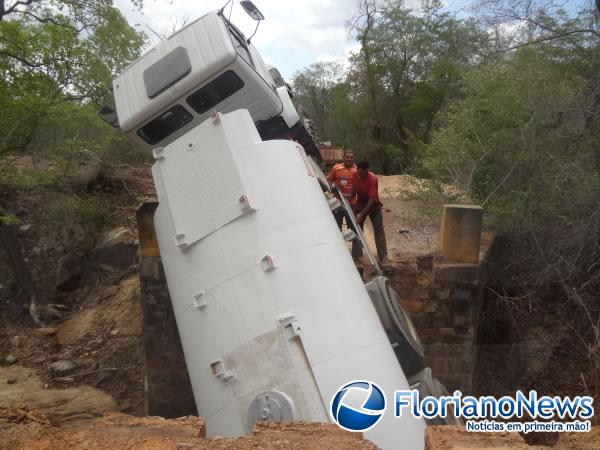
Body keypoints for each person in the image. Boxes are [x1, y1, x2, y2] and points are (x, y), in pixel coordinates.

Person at [351, 161, 388, 263]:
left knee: (378, 231)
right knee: (357, 229)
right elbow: (354, 187)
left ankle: (383, 256)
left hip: (374, 207)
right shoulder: (355, 174)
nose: (360, 173)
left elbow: (371, 199)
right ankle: (356, 254)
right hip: (360, 204)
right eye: (359, 170)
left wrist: (361, 215)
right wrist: (350, 198)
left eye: (363, 171)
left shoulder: (373, 179)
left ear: (368, 170)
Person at [327, 149, 357, 230]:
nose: (349, 159)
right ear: (343, 157)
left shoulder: (357, 170)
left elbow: (358, 185)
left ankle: (353, 242)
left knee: (352, 228)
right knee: (337, 227)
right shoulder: (336, 168)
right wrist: (332, 189)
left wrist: (351, 195)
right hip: (338, 202)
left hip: (351, 203)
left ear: (353, 158)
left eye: (351, 157)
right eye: (347, 157)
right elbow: (329, 179)